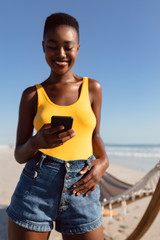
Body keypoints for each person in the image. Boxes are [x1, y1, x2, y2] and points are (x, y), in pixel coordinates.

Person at [7, 12, 109, 240]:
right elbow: (19, 154)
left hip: (82, 186)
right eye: (53, 46)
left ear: (78, 48)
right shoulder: (32, 95)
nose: (61, 54)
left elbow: (95, 136)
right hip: (36, 185)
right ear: (43, 47)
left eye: (68, 47)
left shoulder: (93, 88)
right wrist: (36, 142)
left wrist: (104, 162)